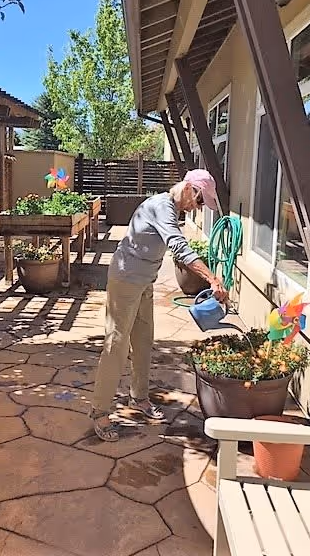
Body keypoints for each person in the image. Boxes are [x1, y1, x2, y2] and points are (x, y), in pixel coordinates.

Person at [90, 169, 229, 442]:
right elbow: (178, 246)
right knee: (116, 344)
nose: (197, 209)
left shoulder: (168, 208)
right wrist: (212, 278)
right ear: (190, 188)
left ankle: (138, 398)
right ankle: (100, 412)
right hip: (126, 279)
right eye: (200, 202)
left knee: (143, 343)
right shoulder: (161, 207)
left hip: (144, 282)